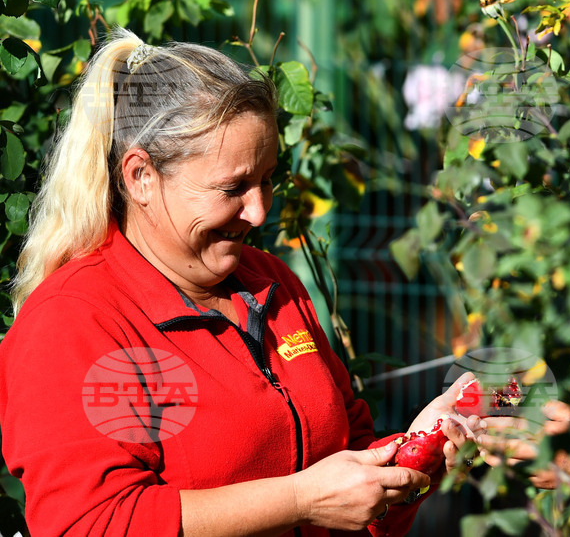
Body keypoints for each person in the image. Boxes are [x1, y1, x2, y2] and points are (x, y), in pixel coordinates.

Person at [0, 29, 485, 537]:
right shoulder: (77, 320)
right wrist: (299, 500)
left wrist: (417, 450)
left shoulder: (271, 283)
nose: (258, 211)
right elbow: (91, 523)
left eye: (267, 179)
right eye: (233, 188)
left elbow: (349, 470)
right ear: (141, 176)